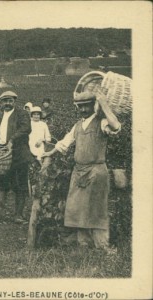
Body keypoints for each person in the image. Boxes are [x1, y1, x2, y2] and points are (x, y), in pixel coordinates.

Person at [42, 91, 121, 249]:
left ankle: (102, 245)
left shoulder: (102, 122)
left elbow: (116, 126)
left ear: (94, 106)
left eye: (87, 106)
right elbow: (65, 142)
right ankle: (84, 244)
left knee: (97, 208)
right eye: (81, 106)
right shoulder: (78, 125)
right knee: (78, 208)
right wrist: (50, 153)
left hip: (96, 171)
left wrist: (104, 104)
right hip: (79, 172)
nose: (83, 110)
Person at [0, 91, 33, 224]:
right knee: (1, 184)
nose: (7, 103)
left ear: (14, 101)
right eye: (5, 101)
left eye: (10, 101)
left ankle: (18, 215)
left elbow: (26, 128)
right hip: (3, 155)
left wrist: (12, 140)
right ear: (1, 103)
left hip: (18, 154)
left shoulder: (22, 114)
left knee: (20, 184)